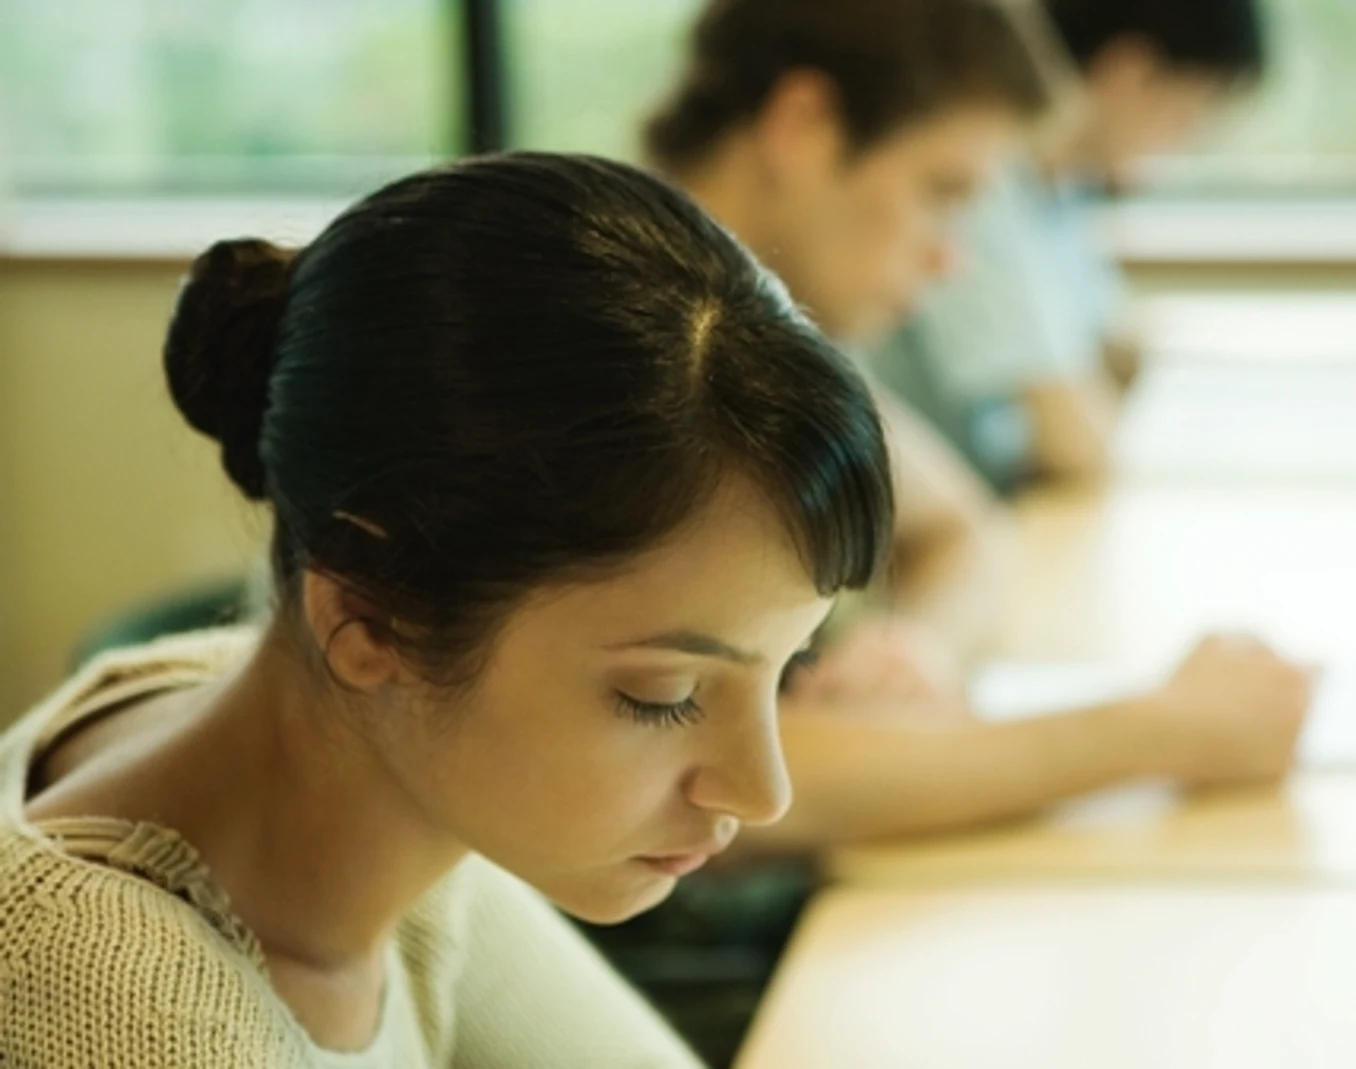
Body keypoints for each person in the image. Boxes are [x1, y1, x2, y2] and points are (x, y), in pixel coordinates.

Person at [1, 152, 895, 1067]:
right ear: (370, 617)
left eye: (790, 660)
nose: (763, 791)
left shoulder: (377, 781)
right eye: (662, 695)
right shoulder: (107, 1003)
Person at [644, 0, 1310, 850]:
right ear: (805, 126)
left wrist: (909, 646)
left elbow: (962, 527)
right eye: (942, 194)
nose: (953, 258)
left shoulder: (757, 328)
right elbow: (695, 776)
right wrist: (1156, 732)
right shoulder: (645, 347)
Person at [870, 0, 1270, 491]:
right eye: (1186, 115)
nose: (1179, 144)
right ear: (1131, 71)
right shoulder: (980, 189)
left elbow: (1116, 358)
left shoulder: (1061, 189)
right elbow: (1074, 445)